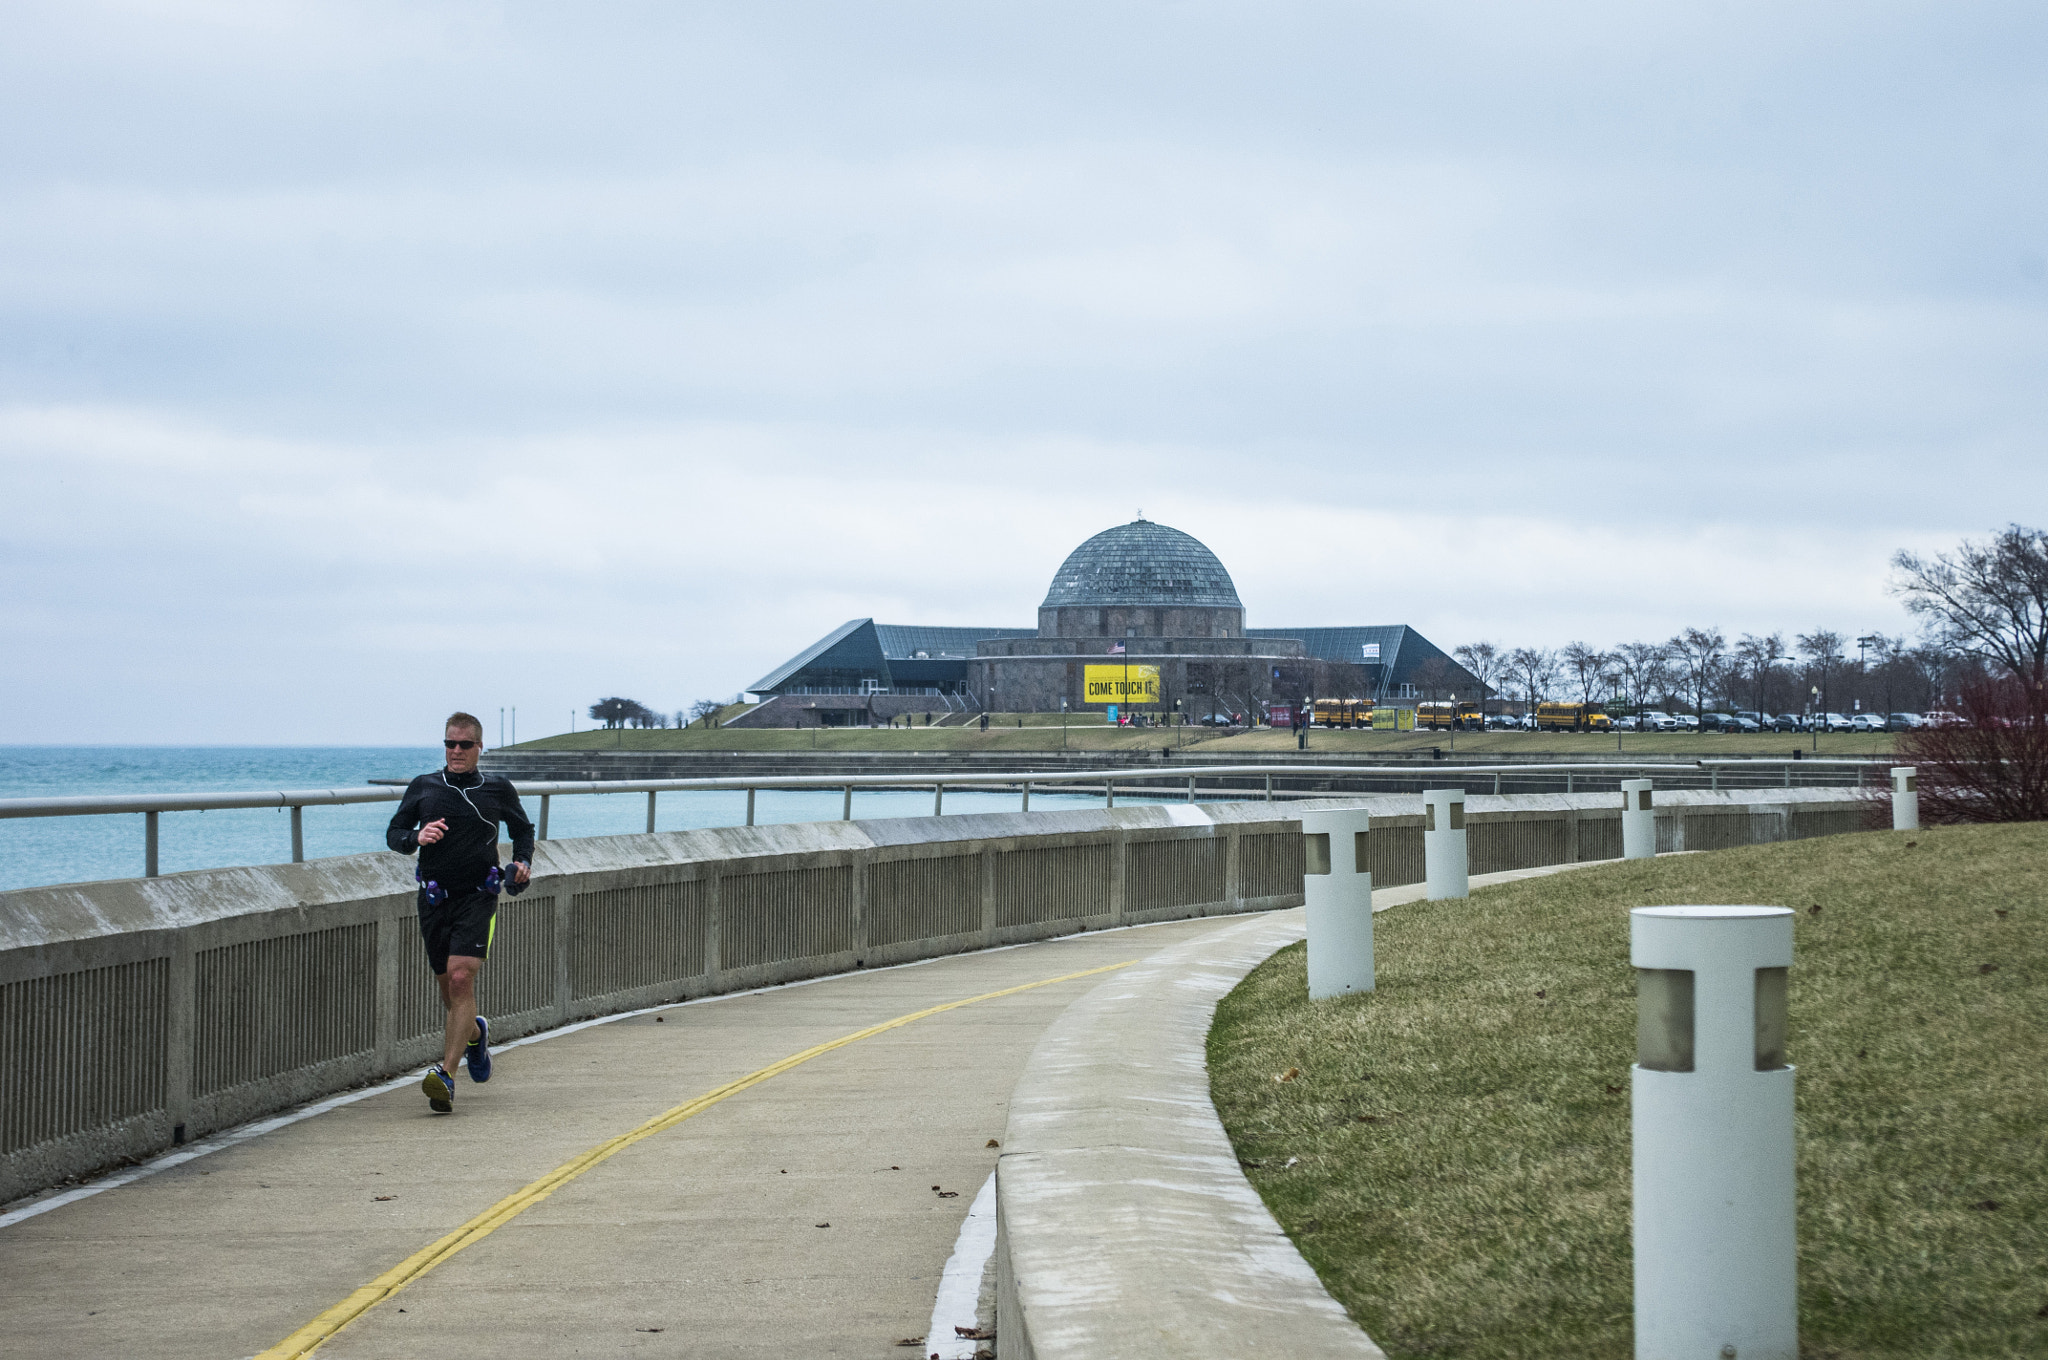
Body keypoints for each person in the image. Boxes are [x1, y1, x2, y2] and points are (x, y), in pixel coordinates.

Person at [386, 712, 535, 1114]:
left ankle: (447, 1075)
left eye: (464, 745)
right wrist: (416, 836)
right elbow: (394, 834)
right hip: (434, 899)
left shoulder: (498, 789)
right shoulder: (425, 787)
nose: (456, 751)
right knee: (450, 992)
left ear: (479, 748)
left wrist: (522, 862)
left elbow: (523, 830)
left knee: (459, 976)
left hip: (478, 896)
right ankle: (475, 1034)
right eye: (450, 744)